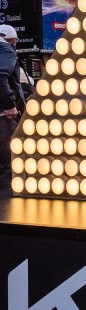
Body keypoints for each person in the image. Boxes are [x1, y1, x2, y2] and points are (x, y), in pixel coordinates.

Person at [0, 25, 24, 196]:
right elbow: (1, 76)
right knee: (9, 165)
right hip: (3, 117)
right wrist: (10, 105)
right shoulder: (6, 50)